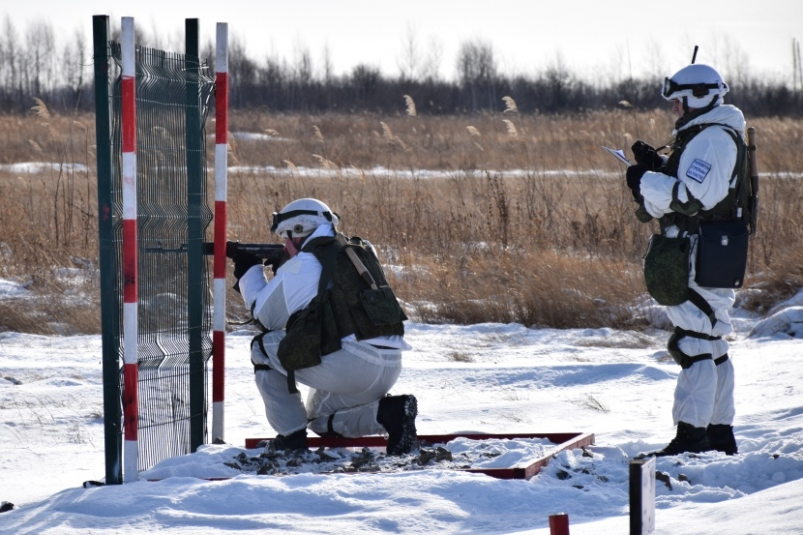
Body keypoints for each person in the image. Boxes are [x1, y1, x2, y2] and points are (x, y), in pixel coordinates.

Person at [232, 198, 417, 455]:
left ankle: (290, 439)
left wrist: (248, 272)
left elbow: (266, 319)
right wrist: (285, 270)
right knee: (319, 419)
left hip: (353, 365)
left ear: (300, 230)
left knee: (262, 347)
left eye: (286, 237)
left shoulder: (305, 263)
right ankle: (390, 414)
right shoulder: (361, 250)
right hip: (388, 366)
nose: (284, 245)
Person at [626, 64, 747, 457]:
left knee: (696, 338)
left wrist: (643, 181)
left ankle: (692, 438)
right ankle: (717, 435)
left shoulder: (712, 138)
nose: (675, 110)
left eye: (678, 102)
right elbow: (695, 187)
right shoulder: (708, 134)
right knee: (709, 339)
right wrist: (657, 167)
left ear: (698, 97)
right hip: (707, 247)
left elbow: (692, 198)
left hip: (699, 250)